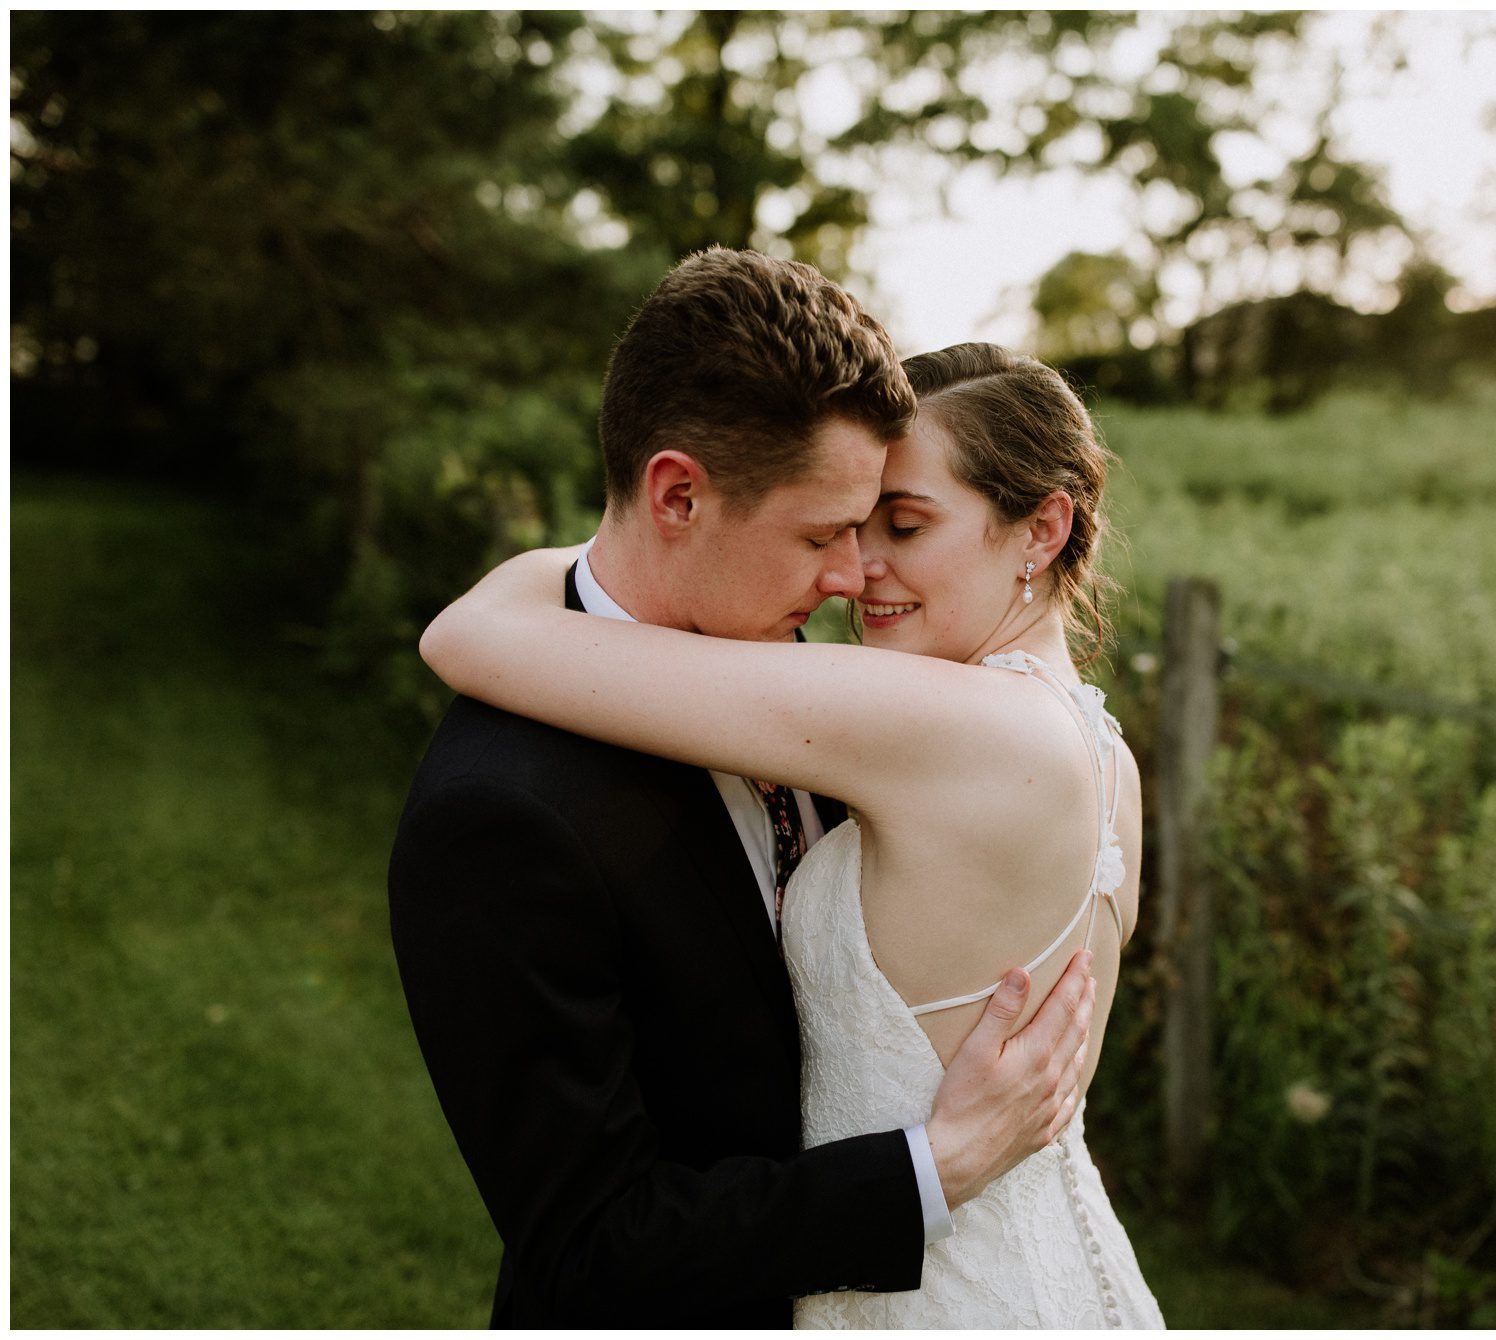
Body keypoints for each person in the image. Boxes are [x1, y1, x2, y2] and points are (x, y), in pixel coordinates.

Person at [386, 250, 1098, 1329]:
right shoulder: (500, 812)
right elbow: (589, 1246)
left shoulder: (817, 691)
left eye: (876, 527)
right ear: (677, 493)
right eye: (823, 535)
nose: (854, 578)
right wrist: (930, 1169)